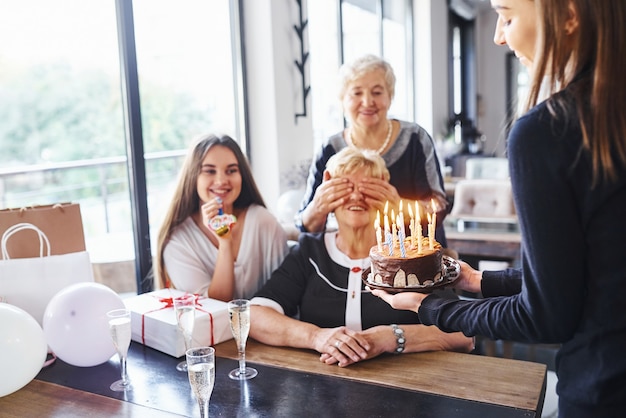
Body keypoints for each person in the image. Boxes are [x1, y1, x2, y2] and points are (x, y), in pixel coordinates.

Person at [372, 1, 626, 416]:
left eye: (507, 16)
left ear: (571, 14)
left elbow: (547, 317)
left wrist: (430, 307)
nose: (498, 36)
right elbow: (597, 272)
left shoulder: (546, 132)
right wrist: (479, 281)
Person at [250, 147, 474, 367]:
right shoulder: (310, 252)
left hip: (406, 386)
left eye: (367, 187)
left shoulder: (412, 254)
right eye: (345, 187)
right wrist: (316, 337)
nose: (356, 196)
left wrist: (388, 338)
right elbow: (255, 316)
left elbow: (462, 334)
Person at [296, 54, 449, 247]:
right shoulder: (329, 149)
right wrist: (319, 207)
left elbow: (440, 207)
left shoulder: (415, 138)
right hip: (351, 257)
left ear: (390, 96)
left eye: (377, 93)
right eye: (356, 93)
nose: (367, 102)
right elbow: (305, 226)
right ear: (343, 100)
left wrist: (398, 206)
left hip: (417, 255)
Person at [156, 134, 289, 301]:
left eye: (231, 170)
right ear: (193, 177)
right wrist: (225, 243)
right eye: (210, 171)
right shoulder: (178, 241)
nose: (221, 180)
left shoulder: (263, 222)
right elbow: (214, 308)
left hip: (266, 325)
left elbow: (286, 292)